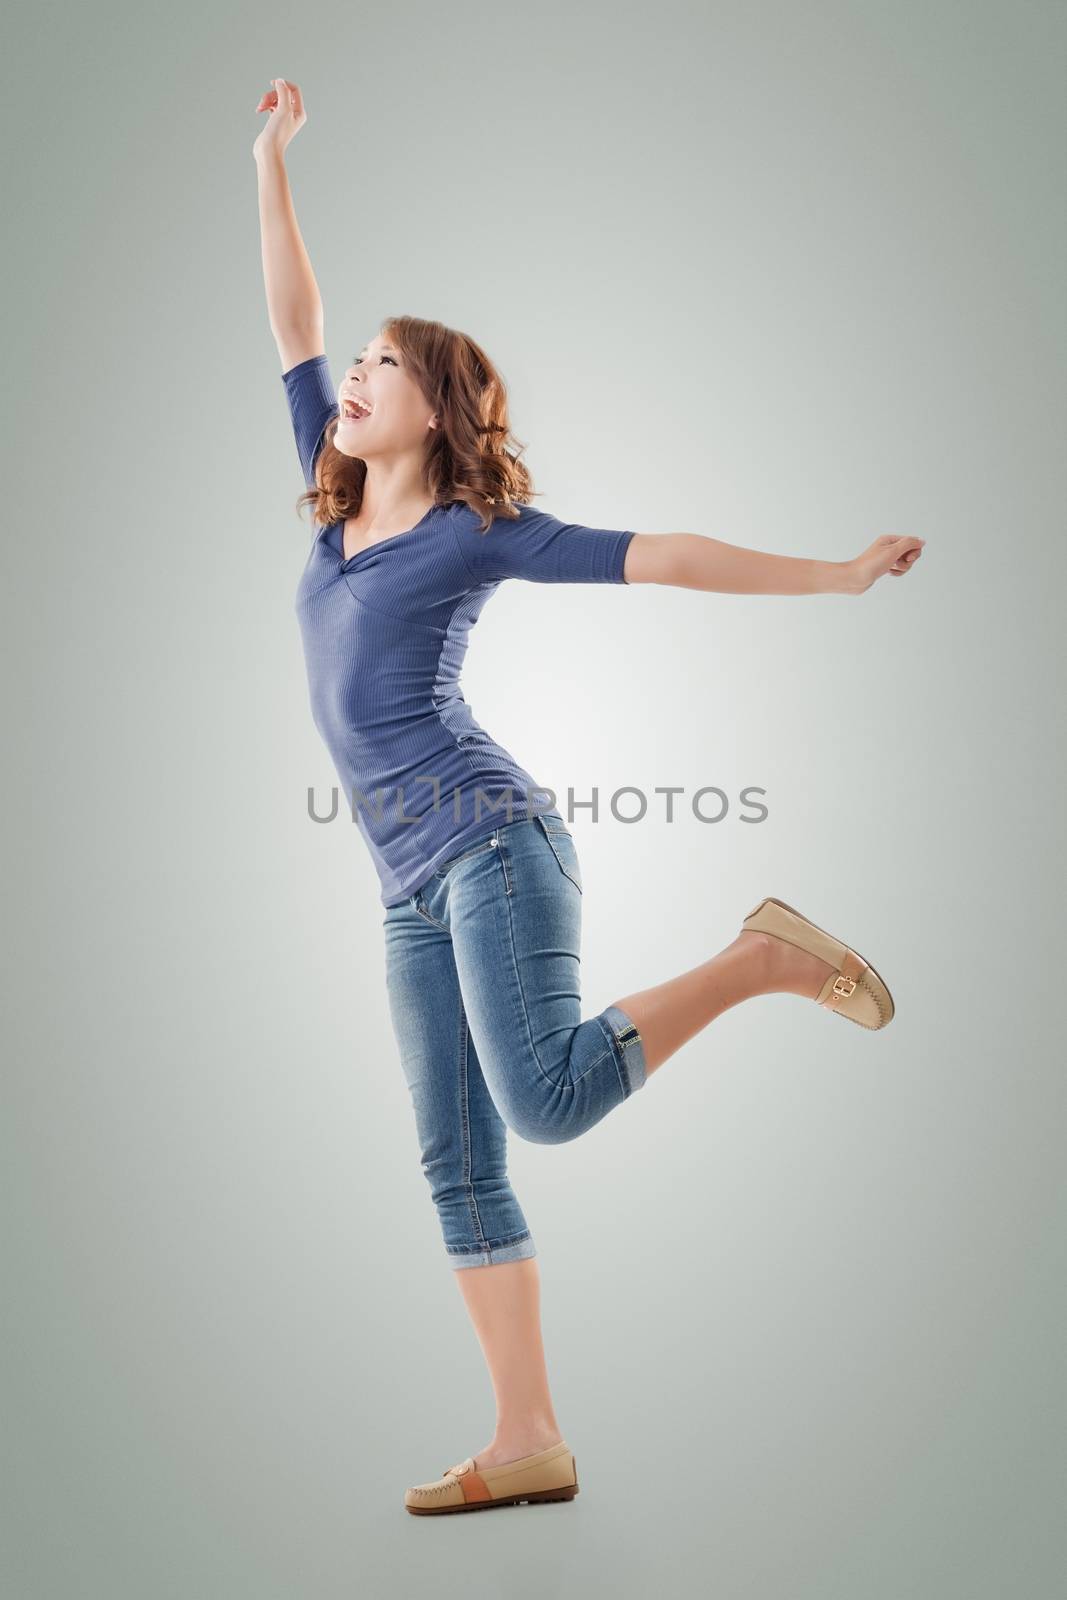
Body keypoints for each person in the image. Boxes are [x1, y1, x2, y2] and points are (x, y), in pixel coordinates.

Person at [253, 77, 925, 1517]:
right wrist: (271, 162)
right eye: (357, 364)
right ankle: (527, 1440)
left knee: (544, 1105)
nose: (353, 376)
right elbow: (294, 323)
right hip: (406, 890)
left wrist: (833, 572)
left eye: (389, 366)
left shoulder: (473, 532)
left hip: (495, 848)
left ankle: (764, 956)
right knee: (457, 1156)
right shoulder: (331, 494)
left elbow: (662, 555)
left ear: (439, 411)